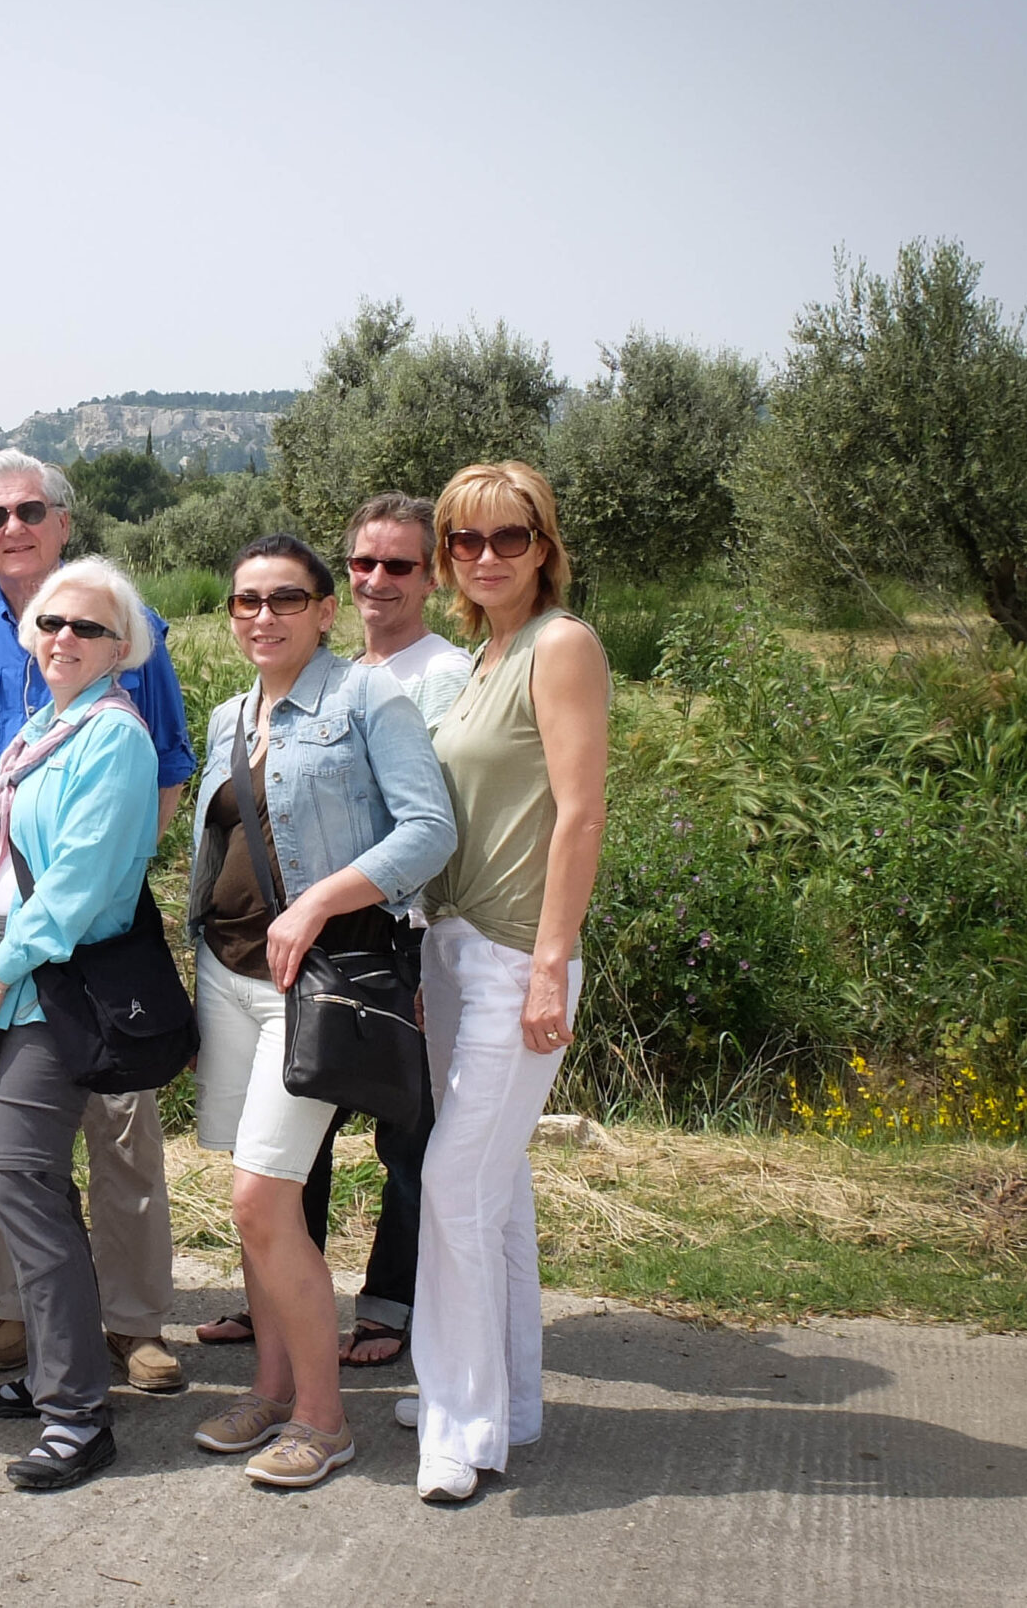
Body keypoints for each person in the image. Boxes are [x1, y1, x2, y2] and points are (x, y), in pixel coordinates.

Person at [0, 450, 196, 1392]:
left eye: (30, 510)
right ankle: (19, 1307)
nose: (13, 528)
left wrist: (102, 887)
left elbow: (165, 771)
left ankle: (132, 1321)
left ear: (64, 520)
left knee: (118, 1123)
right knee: (4, 1131)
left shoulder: (124, 619)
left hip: (87, 929)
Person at [182, 535, 454, 1488]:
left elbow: (429, 830)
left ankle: (323, 1420)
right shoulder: (229, 715)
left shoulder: (367, 699)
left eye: (286, 599)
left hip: (315, 985)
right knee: (268, 1205)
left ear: (326, 610)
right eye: (246, 601)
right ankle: (270, 1389)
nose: (264, 617)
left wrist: (318, 902)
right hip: (231, 978)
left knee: (260, 1198)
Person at [400, 461, 611, 1504]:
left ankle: (459, 1424)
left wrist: (549, 968)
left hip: (516, 956)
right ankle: (506, 1399)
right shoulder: (486, 655)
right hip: (454, 949)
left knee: (453, 1183)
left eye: (509, 537)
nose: (486, 557)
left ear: (544, 546)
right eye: (465, 540)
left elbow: (579, 814)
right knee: (496, 1191)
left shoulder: (560, 645)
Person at [0, 557, 165, 1491]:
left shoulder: (114, 738)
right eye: (50, 624)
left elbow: (76, 884)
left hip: (49, 986)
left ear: (122, 650)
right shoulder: (37, 730)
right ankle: (53, 1372)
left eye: (88, 628)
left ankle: (77, 1415)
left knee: (23, 1186)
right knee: (22, 1190)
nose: (64, 639)